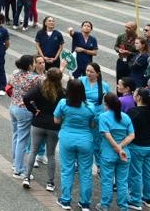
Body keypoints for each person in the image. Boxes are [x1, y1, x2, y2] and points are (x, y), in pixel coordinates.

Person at [54, 78, 97, 211]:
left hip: (67, 138)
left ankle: (66, 200)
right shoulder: (90, 106)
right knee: (85, 172)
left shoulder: (63, 103)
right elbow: (93, 124)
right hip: (85, 140)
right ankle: (85, 203)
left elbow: (56, 120)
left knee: (67, 170)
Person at [22, 67, 64, 192]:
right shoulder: (62, 92)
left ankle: (26, 177)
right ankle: (50, 183)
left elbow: (26, 98)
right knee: (51, 154)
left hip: (38, 122)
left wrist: (34, 110)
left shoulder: (40, 88)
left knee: (33, 151)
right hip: (54, 125)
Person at [99, 91, 135, 211]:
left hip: (108, 155)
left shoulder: (103, 117)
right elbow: (131, 135)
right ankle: (123, 206)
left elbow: (107, 135)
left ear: (106, 104)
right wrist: (121, 148)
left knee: (107, 181)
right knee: (122, 182)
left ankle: (105, 205)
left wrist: (116, 148)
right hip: (125, 155)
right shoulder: (125, 117)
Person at [8, 54, 41, 180]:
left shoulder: (15, 74)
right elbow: (47, 82)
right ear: (29, 65)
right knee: (23, 139)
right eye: (34, 63)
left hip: (13, 107)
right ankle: (19, 170)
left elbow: (9, 82)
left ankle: (15, 163)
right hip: (24, 110)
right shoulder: (34, 78)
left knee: (16, 135)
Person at [127, 87, 150, 209]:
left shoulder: (133, 112)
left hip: (137, 147)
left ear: (139, 97)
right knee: (149, 173)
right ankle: (148, 198)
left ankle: (135, 200)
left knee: (135, 174)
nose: (133, 95)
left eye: (134, 93)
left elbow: (129, 131)